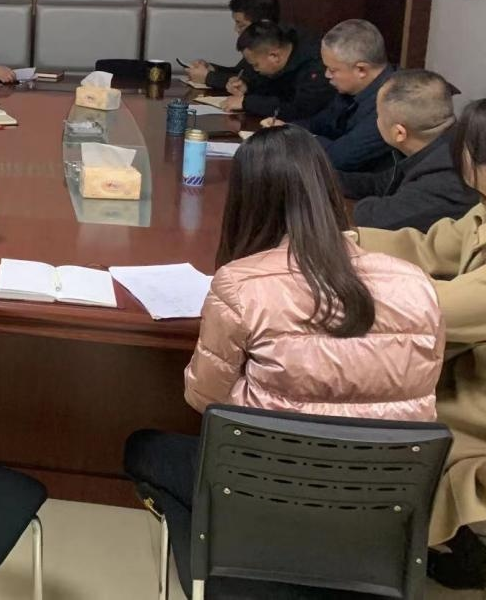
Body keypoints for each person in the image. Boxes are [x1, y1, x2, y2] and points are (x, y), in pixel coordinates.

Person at [124, 125, 444, 599]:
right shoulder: (415, 283)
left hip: (265, 488)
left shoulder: (241, 284)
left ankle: (233, 574)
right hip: (376, 504)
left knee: (144, 449)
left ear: (246, 199)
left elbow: (206, 401)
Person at [356, 96, 486, 594]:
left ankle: (439, 546)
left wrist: (347, 286)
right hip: (474, 359)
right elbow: (429, 247)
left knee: (387, 420)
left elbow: (441, 309)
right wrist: (345, 242)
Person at [342, 69, 477, 232]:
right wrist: (325, 177)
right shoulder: (442, 143)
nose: (376, 121)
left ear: (399, 133)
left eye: (378, 115)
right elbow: (380, 183)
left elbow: (373, 219)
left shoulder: (446, 176)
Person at [264, 19, 396, 174]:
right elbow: (320, 123)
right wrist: (288, 129)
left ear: (361, 70)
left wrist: (297, 137)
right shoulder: (351, 90)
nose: (326, 75)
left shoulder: (393, 103)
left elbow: (339, 158)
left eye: (333, 70)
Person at [217, 20, 332, 120]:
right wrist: (248, 86)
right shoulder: (282, 57)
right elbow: (272, 88)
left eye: (256, 65)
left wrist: (247, 103)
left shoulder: (316, 65)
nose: (254, 70)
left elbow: (299, 110)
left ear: (274, 56)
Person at [185, 0, 282, 90]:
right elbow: (241, 73)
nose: (236, 29)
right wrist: (211, 69)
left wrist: (208, 77)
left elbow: (256, 84)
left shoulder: (276, 46)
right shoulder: (256, 44)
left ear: (262, 24)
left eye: (241, 25)